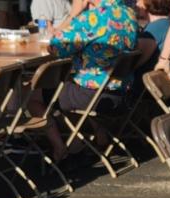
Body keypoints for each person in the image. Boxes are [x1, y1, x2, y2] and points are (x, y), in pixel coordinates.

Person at [38, 0, 137, 160]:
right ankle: (98, 136)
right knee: (70, 84)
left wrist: (73, 14)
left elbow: (55, 47)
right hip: (122, 93)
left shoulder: (92, 18)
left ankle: (63, 148)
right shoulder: (128, 13)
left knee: (35, 94)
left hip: (93, 96)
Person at [136, 0, 170, 73]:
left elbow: (134, 64)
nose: (137, 4)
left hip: (142, 76)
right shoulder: (167, 23)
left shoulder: (154, 29)